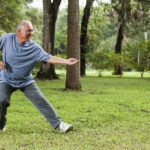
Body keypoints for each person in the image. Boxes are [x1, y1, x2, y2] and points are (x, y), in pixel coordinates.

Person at [0, 20, 78, 132]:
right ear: (19, 31)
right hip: (6, 79)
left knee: (41, 101)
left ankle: (59, 125)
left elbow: (49, 57)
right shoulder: (6, 39)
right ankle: (0, 125)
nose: (31, 33)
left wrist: (66, 61)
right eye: (28, 31)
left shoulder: (34, 48)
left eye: (32, 31)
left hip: (26, 81)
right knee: (1, 100)